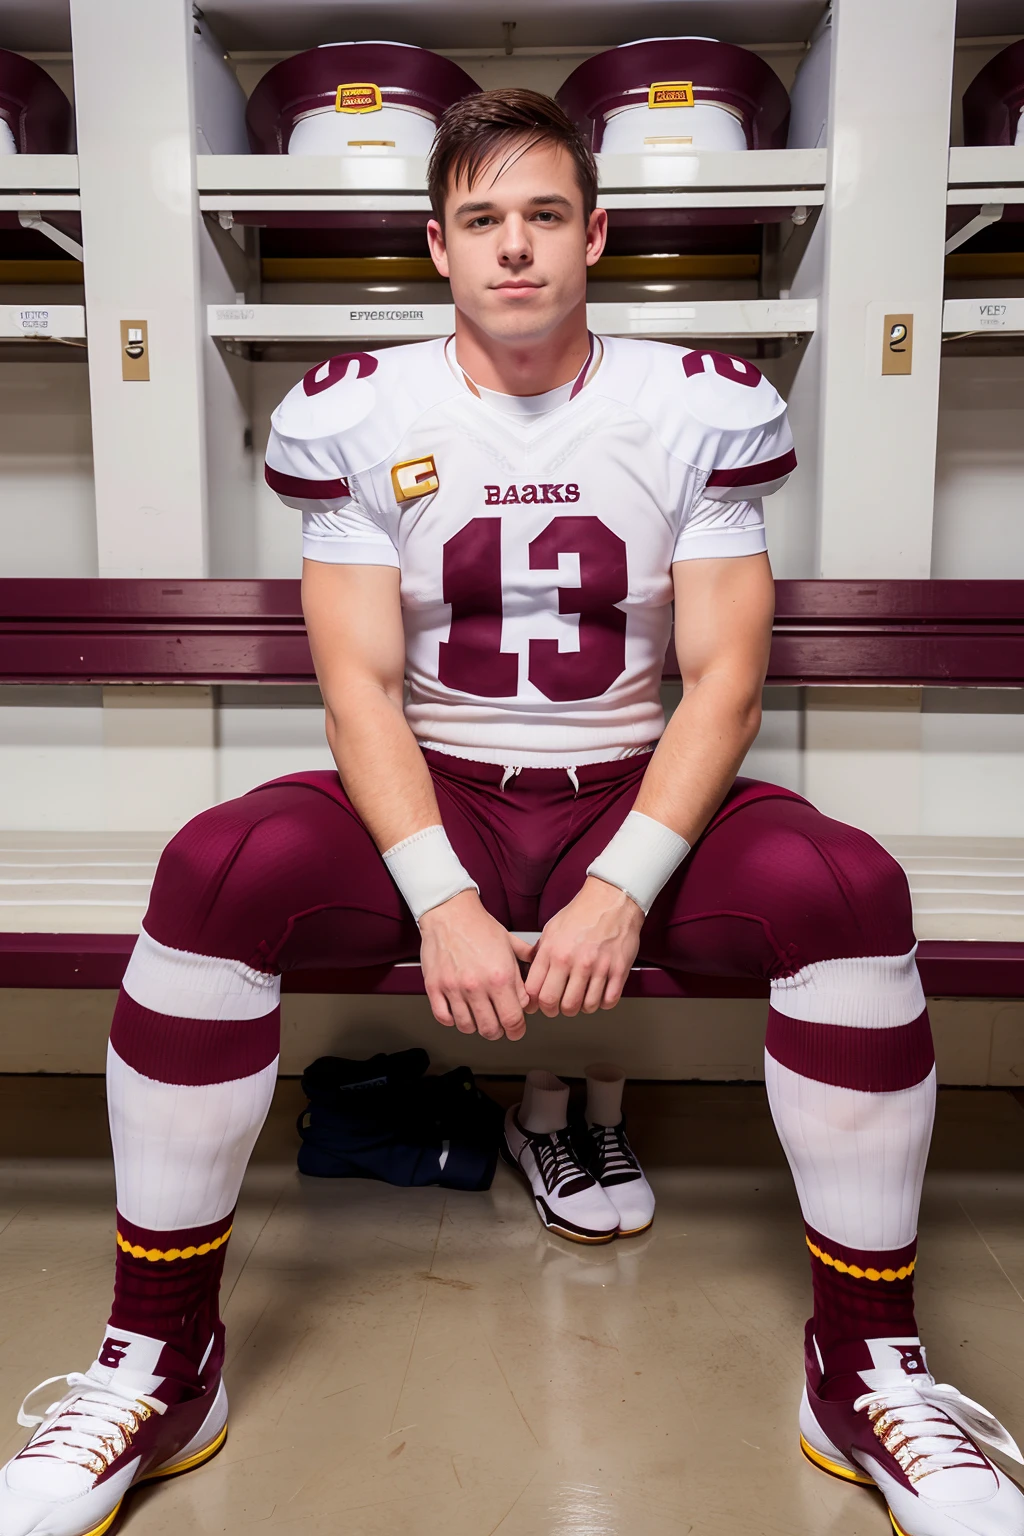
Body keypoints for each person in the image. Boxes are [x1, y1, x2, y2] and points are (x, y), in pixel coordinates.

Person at [3, 87, 1020, 1536]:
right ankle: (164, 1359)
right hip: (445, 790)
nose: (516, 249)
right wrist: (445, 898)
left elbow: (724, 686)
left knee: (851, 891)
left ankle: (862, 1371)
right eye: (482, 220)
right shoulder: (358, 414)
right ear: (437, 247)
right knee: (216, 868)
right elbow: (359, 693)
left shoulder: (697, 404)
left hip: (627, 785)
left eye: (545, 214)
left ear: (594, 232)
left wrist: (620, 885)